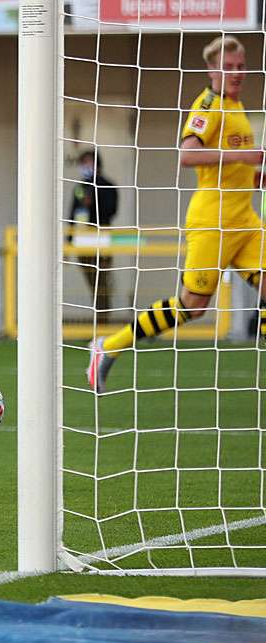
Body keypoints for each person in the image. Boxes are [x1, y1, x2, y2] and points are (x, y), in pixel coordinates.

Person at [88, 36, 266, 393]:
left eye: (241, 67)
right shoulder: (209, 105)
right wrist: (245, 158)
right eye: (228, 67)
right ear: (211, 70)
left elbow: (238, 167)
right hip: (212, 222)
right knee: (193, 306)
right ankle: (108, 346)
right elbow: (187, 154)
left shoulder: (238, 107)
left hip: (245, 219)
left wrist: (256, 173)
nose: (236, 73)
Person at [68, 150, 118, 317]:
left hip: (102, 236)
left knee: (102, 280)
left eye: (89, 163)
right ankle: (99, 315)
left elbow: (111, 211)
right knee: (91, 280)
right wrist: (68, 241)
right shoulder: (80, 187)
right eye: (84, 163)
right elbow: (73, 213)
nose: (86, 166)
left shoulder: (108, 186)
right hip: (82, 238)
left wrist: (93, 203)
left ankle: (103, 318)